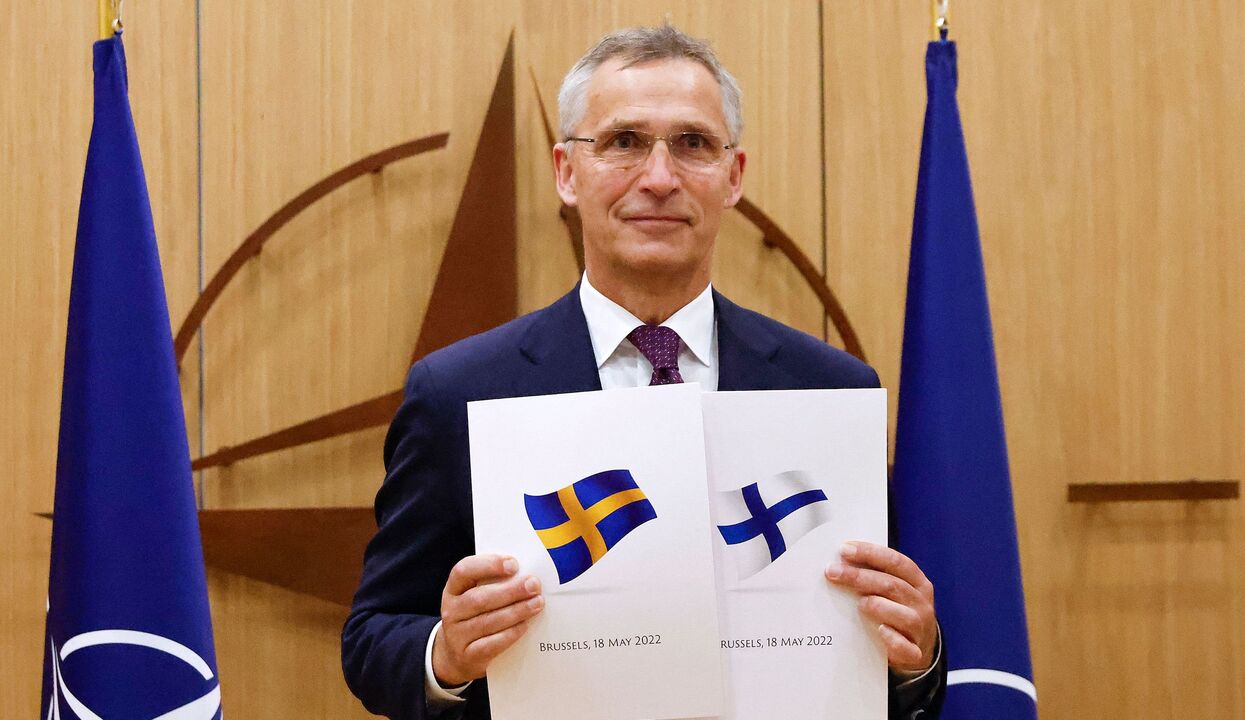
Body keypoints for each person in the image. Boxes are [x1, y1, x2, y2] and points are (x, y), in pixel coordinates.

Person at [342, 24, 944, 720]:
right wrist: (445, 655)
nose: (658, 178)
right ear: (567, 172)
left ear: (734, 176)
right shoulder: (459, 394)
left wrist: (918, 654)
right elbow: (371, 640)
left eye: (692, 144)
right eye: (624, 142)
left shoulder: (832, 392)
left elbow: (893, 658)